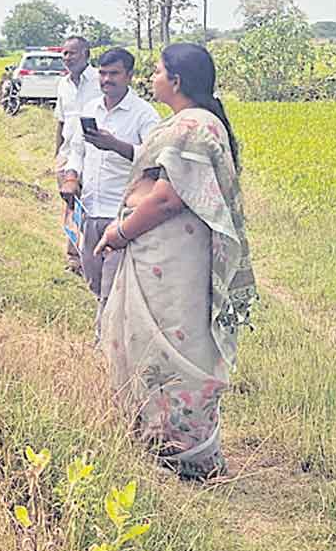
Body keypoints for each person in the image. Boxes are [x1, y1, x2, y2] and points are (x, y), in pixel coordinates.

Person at [94, 43, 257, 480]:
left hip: (172, 259)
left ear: (178, 81)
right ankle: (164, 441)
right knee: (169, 341)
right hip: (168, 255)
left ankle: (183, 451)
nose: (153, 78)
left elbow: (166, 199)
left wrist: (120, 232)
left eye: (158, 71)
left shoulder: (190, 129)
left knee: (173, 343)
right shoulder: (198, 124)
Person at [68, 48, 160, 335]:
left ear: (129, 76)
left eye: (114, 74)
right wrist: (71, 176)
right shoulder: (90, 109)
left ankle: (105, 345)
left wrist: (116, 145)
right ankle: (112, 336)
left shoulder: (144, 115)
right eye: (103, 74)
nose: (107, 80)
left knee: (112, 285)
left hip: (121, 213)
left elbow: (155, 160)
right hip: (90, 209)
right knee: (94, 279)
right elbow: (76, 151)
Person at [53, 36, 103, 275]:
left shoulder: (99, 81)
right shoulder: (63, 84)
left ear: (86, 54)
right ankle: (73, 257)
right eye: (64, 53)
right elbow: (60, 120)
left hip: (92, 153)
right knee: (71, 204)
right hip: (67, 153)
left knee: (90, 204)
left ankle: (92, 256)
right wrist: (56, 155)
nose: (67, 58)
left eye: (72, 53)